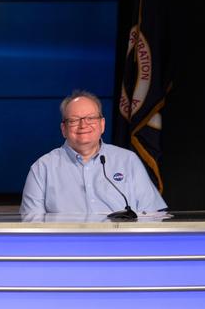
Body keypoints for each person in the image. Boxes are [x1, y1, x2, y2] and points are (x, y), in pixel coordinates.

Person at [20, 90, 166, 217]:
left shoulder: (128, 160)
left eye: (90, 118)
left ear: (102, 124)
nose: (83, 125)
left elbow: (153, 216)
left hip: (120, 246)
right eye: (74, 120)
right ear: (63, 129)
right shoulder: (42, 168)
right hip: (65, 247)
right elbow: (32, 226)